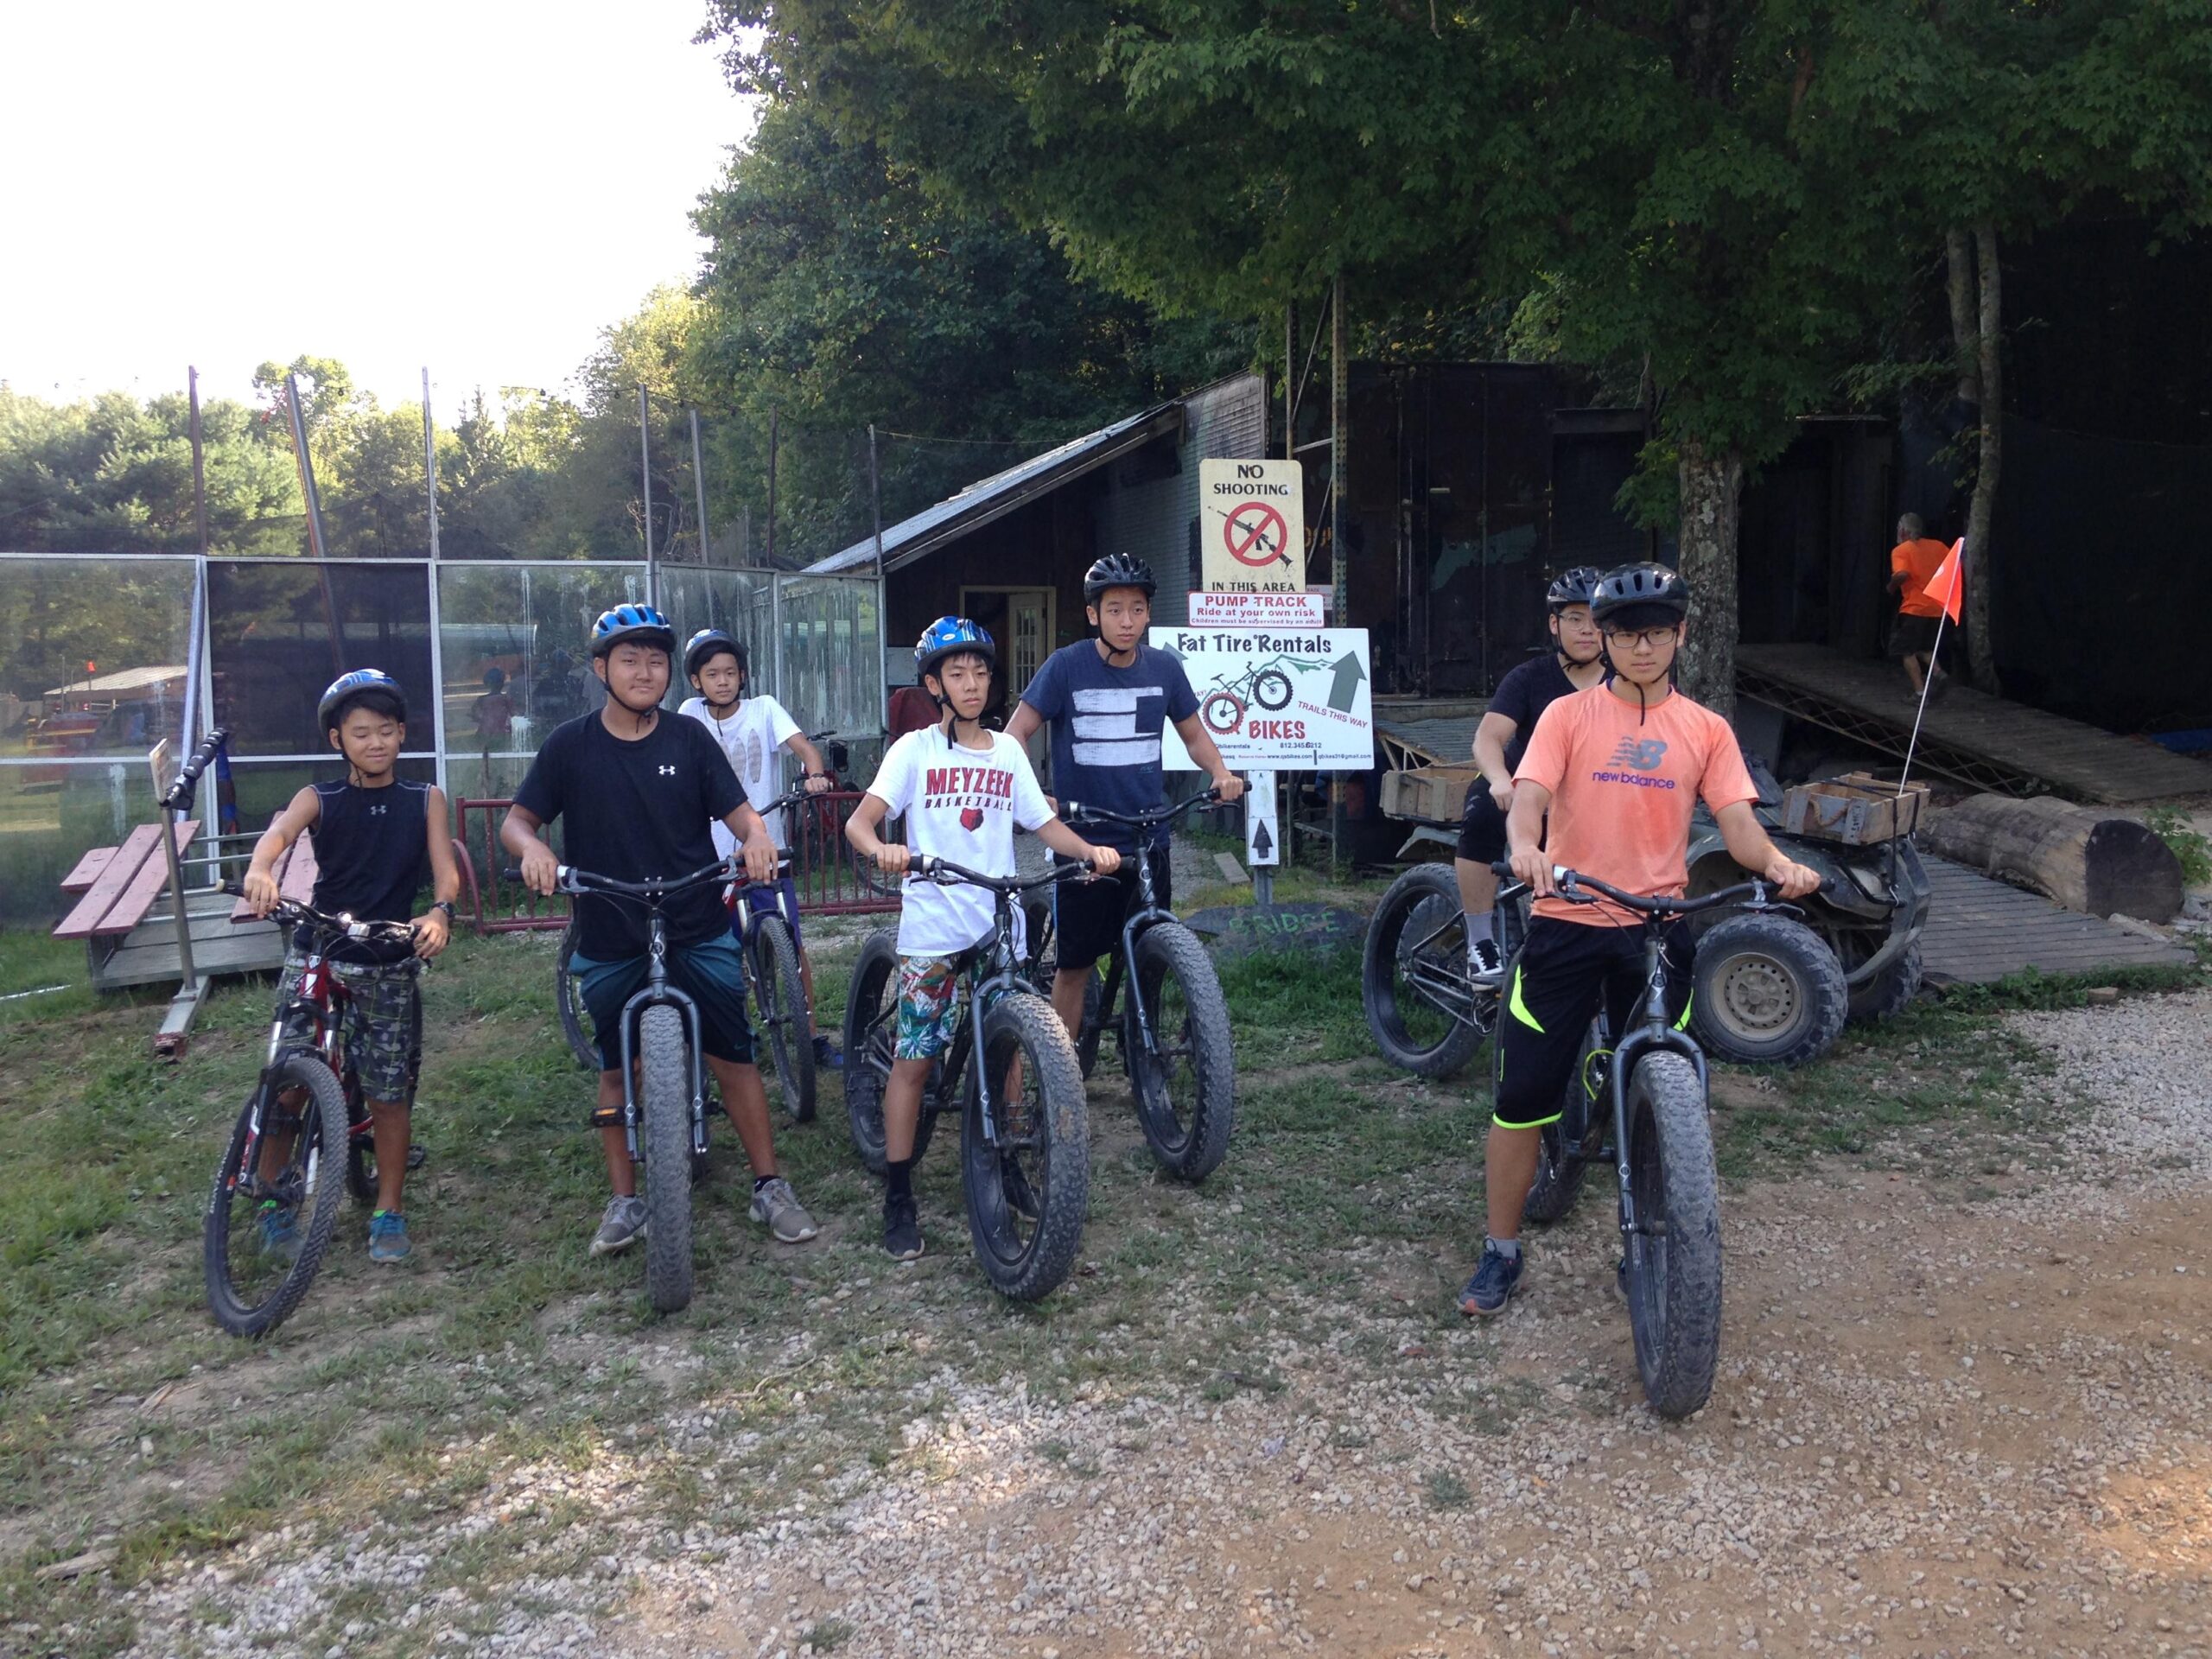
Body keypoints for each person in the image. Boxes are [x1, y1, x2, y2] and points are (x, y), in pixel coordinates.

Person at [1460, 563, 1821, 1318]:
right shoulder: (1566, 717)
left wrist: (1780, 862)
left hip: (1656, 929)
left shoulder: (1706, 729)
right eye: (1626, 634)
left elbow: (1739, 826)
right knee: (1523, 1095)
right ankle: (1500, 1249)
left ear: (1681, 634)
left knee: (1663, 1092)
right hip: (1567, 919)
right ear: (1608, 640)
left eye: (1656, 632)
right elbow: (1528, 803)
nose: (1641, 647)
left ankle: (1651, 1241)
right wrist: (1527, 849)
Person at [499, 604, 818, 1255]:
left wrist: (756, 841)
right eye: (629, 659)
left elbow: (742, 816)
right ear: (600, 669)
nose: (645, 671)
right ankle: (624, 1199)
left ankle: (769, 1185)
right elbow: (517, 821)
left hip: (696, 916)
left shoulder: (689, 739)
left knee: (734, 1056)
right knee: (619, 1069)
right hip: (610, 924)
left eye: (655, 659)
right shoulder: (569, 745)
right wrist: (533, 850)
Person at [845, 618, 1120, 1262]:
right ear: (934, 684)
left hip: (998, 922)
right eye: (957, 674)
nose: (972, 684)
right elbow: (861, 824)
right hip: (934, 925)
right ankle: (899, 1193)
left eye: (980, 672)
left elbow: (1043, 823)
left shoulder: (1007, 752)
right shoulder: (914, 751)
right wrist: (886, 850)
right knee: (916, 1059)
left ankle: (1010, 1163)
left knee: (1015, 1050)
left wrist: (1088, 853)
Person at [243, 670, 461, 1266]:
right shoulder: (320, 797)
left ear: (401, 736)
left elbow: (446, 869)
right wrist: (261, 871)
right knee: (289, 1083)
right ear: (338, 739)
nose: (375, 743)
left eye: (386, 732)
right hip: (320, 950)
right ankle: (273, 1199)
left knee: (390, 1095)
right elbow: (278, 835)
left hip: (388, 955)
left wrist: (439, 912)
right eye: (361, 733)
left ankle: (389, 1208)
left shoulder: (425, 799)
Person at [1002, 554, 1243, 1043]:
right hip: (1083, 842)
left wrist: (1220, 771)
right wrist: (1035, 797)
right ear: (1093, 614)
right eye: (1114, 609)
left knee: (1152, 948)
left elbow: (1194, 736)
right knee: (1076, 965)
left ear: (1149, 613)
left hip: (1148, 837)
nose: (1127, 621)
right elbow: (1015, 735)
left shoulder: (1164, 669)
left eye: (1136, 609)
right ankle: (1062, 1074)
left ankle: (1143, 1057)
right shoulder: (1065, 667)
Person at [676, 628, 842, 1071]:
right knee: (715, 954)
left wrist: (813, 774)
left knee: (790, 942)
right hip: (710, 860)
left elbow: (804, 749)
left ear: (743, 675)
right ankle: (726, 1039)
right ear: (696, 680)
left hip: (766, 853)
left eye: (730, 672)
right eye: (712, 674)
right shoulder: (689, 715)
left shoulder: (764, 709)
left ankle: (810, 1036)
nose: (723, 681)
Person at [1453, 567, 1608, 982]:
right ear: (1555, 624)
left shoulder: (1626, 682)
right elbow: (1488, 739)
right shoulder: (1528, 678)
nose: (1587, 630)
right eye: (1574, 618)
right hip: (1524, 791)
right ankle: (1481, 942)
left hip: (1593, 797)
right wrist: (1502, 779)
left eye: (1596, 618)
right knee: (1483, 813)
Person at [1886, 513, 1954, 701]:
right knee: (1924, 648)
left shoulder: (1901, 550)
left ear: (1903, 530)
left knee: (1906, 651)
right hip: (1936, 609)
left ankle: (1919, 693)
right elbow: (1954, 565)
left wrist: (1891, 586)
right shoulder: (1938, 546)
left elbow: (1902, 574)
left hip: (1914, 609)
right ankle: (1938, 672)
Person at [473, 667, 517, 793]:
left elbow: (475, 715)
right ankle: (496, 786)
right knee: (498, 764)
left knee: (487, 764)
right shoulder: (505, 699)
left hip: (485, 735)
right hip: (499, 735)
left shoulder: (482, 700)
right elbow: (515, 713)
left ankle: (490, 788)